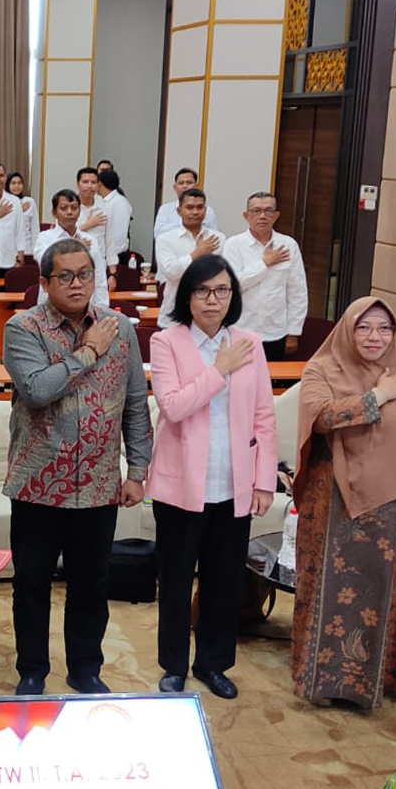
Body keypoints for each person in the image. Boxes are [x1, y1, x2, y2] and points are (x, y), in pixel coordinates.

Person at [2, 239, 151, 695]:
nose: (76, 284)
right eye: (65, 276)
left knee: (91, 583)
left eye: (85, 274)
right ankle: (32, 671)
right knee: (32, 583)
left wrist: (137, 469)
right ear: (45, 282)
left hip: (98, 482)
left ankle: (85, 669)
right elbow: (37, 390)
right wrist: (87, 352)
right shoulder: (23, 327)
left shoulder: (118, 328)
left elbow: (135, 400)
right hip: (37, 483)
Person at [291, 296, 396, 709]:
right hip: (331, 507)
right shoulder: (321, 369)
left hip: (392, 513)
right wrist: (377, 396)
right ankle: (323, 683)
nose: (374, 336)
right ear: (347, 329)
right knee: (326, 593)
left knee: (383, 595)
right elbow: (321, 418)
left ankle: (372, 684)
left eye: (384, 328)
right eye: (363, 327)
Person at [146, 255, 277, 700]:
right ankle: (173, 666)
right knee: (176, 581)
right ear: (187, 296)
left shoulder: (249, 343)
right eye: (202, 290)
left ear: (232, 296)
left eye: (222, 290)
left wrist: (264, 481)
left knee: (224, 582)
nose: (212, 300)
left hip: (232, 485)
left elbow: (264, 416)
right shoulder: (167, 342)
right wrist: (219, 370)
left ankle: (213, 664)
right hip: (179, 487)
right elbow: (173, 406)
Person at [225, 191, 307, 361]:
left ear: (276, 216)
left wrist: (294, 332)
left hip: (276, 332)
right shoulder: (234, 245)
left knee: (272, 376)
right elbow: (232, 285)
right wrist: (264, 263)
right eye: (256, 211)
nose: (262, 216)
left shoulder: (288, 245)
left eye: (268, 211)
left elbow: (297, 292)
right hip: (241, 329)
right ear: (246, 216)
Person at [25, 190, 108, 310]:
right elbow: (46, 262)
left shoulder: (90, 240)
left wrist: (101, 309)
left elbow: (99, 278)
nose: (70, 212)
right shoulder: (44, 238)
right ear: (54, 213)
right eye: (64, 208)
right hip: (53, 307)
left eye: (74, 208)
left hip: (85, 306)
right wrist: (75, 246)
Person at [154, 187, 224, 327]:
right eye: (190, 207)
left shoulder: (218, 238)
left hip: (209, 317)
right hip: (175, 316)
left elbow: (220, 275)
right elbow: (171, 272)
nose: (195, 212)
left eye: (200, 207)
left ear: (206, 210)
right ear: (179, 211)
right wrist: (198, 253)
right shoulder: (166, 239)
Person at [154, 167, 221, 238]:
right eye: (181, 183)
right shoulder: (165, 209)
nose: (185, 186)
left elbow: (213, 237)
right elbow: (158, 235)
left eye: (189, 182)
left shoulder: (208, 211)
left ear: (196, 186)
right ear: (175, 187)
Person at [96, 167, 135, 272]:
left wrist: (109, 255)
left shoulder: (119, 202)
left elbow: (118, 234)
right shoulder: (102, 200)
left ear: (100, 183)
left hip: (115, 256)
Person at [76, 167, 112, 263]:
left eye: (93, 182)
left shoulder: (105, 207)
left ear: (98, 185)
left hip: (98, 263)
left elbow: (110, 240)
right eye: (85, 182)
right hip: (74, 260)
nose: (89, 186)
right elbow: (61, 237)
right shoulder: (68, 206)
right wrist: (88, 225)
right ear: (77, 184)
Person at [6, 171, 39, 258]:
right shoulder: (4, 202)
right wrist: (20, 209)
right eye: (13, 183)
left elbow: (35, 229)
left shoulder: (29, 202)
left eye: (19, 183)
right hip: (7, 248)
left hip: (26, 248)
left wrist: (35, 251)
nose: (17, 186)